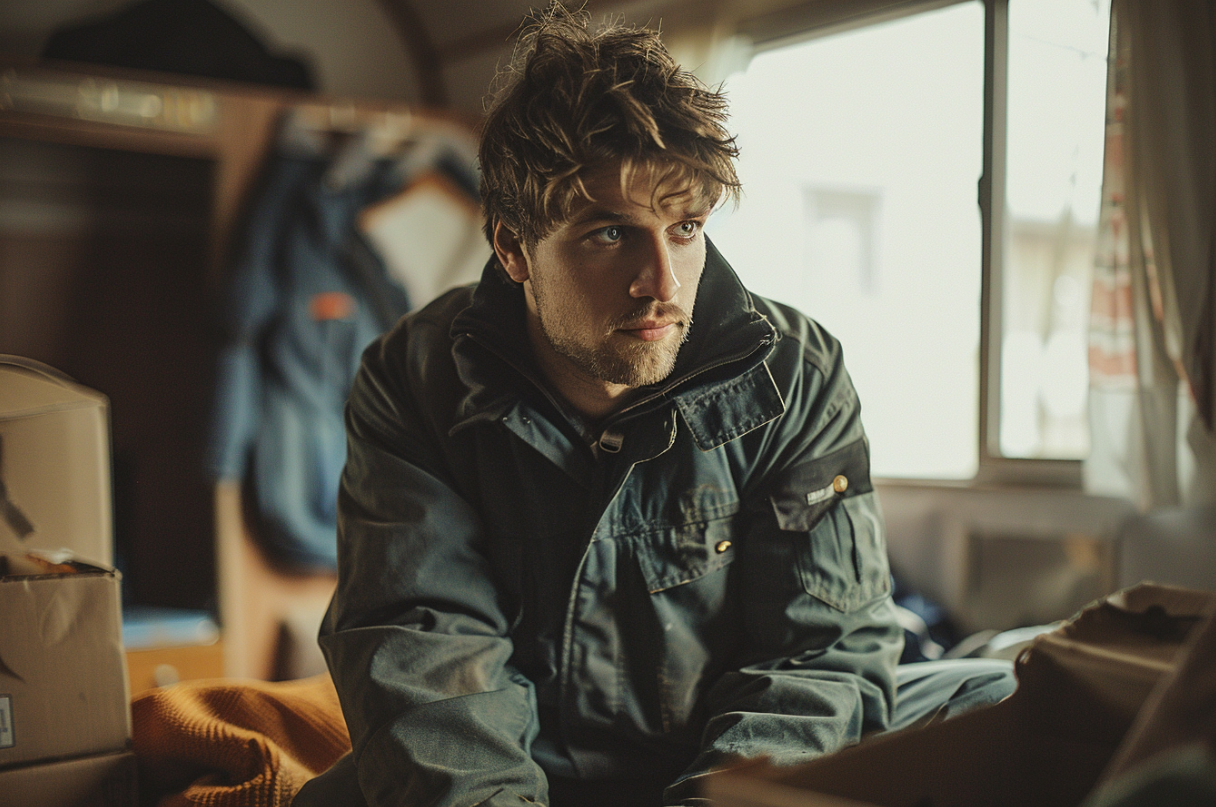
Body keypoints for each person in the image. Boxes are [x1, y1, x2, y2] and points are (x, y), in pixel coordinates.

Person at [293, 6, 1014, 807]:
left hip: (723, 767)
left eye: (686, 228)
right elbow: (424, 657)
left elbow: (823, 654)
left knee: (996, 696)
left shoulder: (797, 374)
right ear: (511, 246)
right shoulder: (414, 379)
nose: (663, 284)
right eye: (610, 234)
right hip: (521, 766)